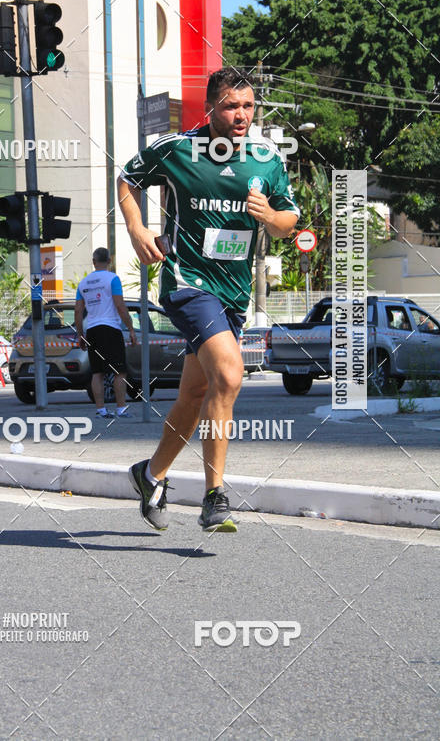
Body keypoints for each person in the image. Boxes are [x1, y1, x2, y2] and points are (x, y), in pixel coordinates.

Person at [118, 67, 300, 532]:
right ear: (211, 109)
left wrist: (270, 217)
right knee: (231, 372)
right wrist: (137, 228)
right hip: (188, 281)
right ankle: (214, 495)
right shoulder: (178, 150)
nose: (241, 115)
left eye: (248, 106)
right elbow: (127, 178)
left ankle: (150, 474)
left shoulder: (266, 159)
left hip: (233, 294)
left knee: (196, 392)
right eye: (231, 106)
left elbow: (289, 221)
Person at [74, 247, 137, 418]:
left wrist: (81, 335)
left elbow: (78, 311)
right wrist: (130, 329)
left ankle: (100, 410)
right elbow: (120, 306)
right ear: (109, 261)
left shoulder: (83, 283)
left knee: (97, 372)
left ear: (93, 262)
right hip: (111, 328)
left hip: (92, 329)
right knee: (119, 371)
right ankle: (121, 408)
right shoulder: (113, 279)